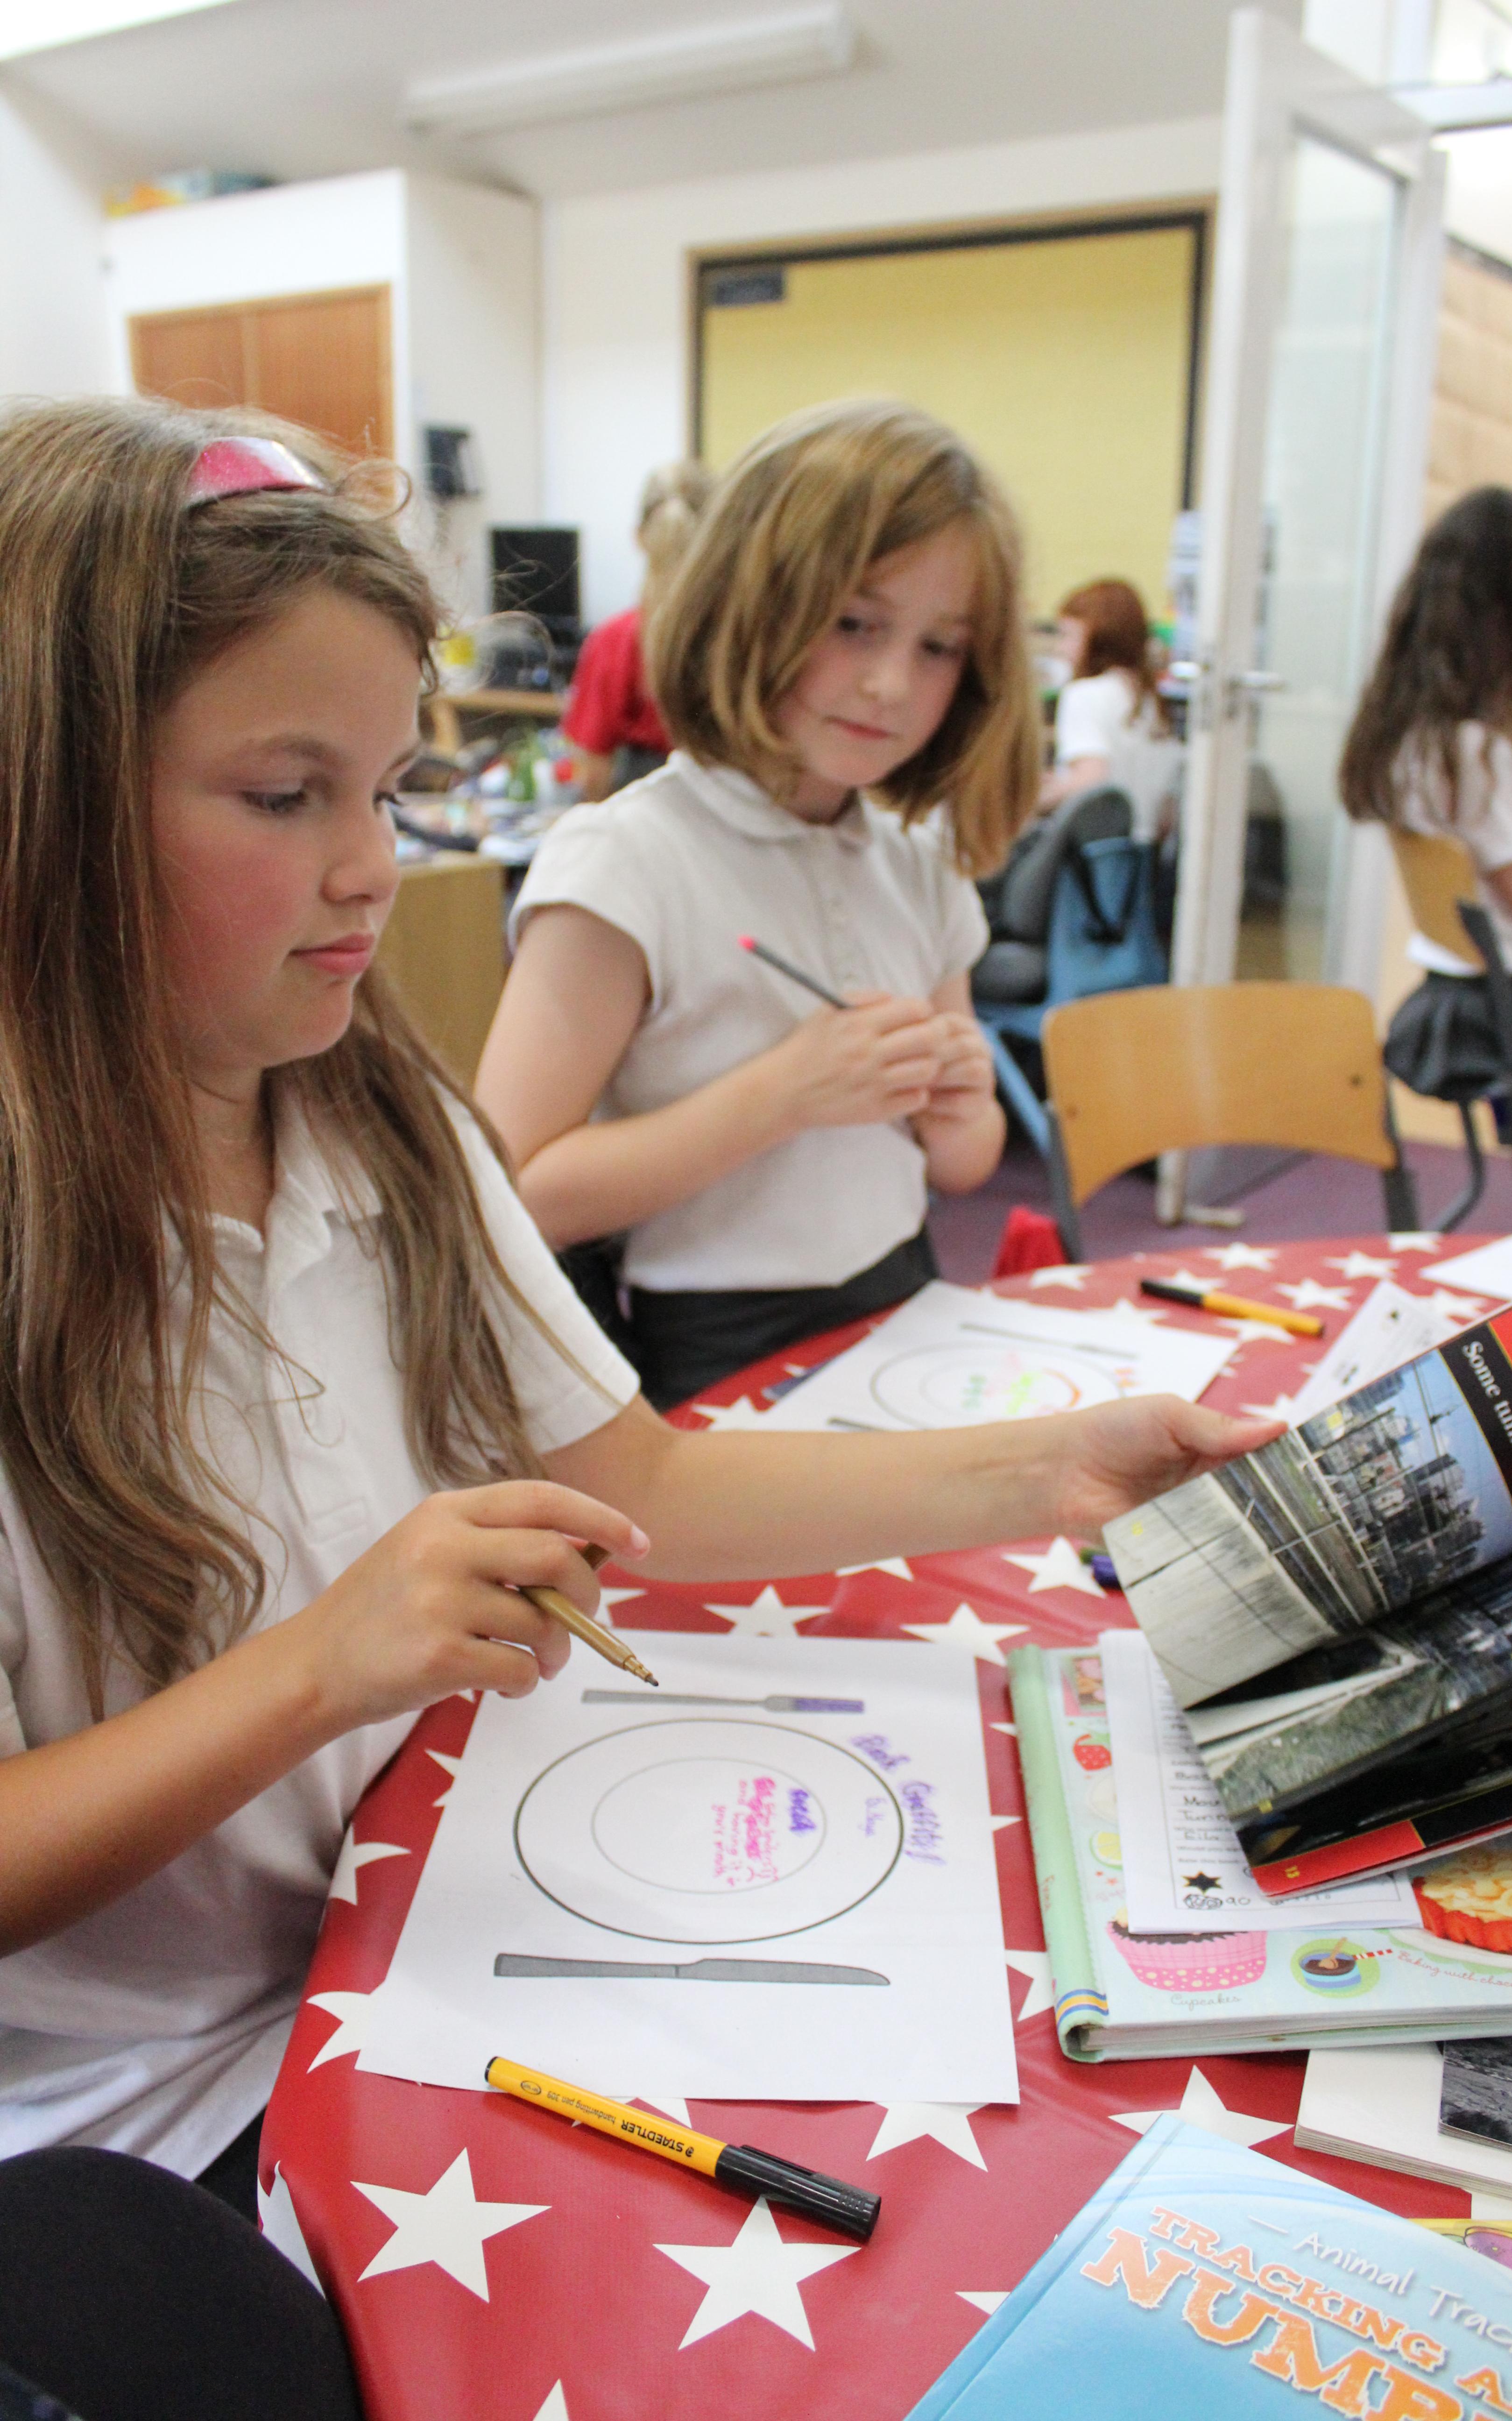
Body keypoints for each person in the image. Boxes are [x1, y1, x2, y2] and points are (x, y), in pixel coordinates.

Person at [0, 396, 1276, 2403]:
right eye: (285, 795)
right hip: (166, 2108)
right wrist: (323, 1661)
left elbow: (642, 1483)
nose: (375, 867)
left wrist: (1056, 1462)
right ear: (47, 797)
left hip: (442, 1936)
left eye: (392, 786)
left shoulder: (378, 1121)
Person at [477, 399, 1032, 1409]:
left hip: (907, 1298)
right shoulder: (625, 862)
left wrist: (958, 1099)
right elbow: (513, 1192)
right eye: (854, 624)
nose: (891, 684)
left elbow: (962, 1162)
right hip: (707, 1345)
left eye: (940, 646)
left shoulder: (917, 862)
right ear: (748, 603)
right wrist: (786, 1095)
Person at [1338, 487, 1512, 1169]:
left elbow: (1504, 869)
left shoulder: (1417, 736)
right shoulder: (1472, 750)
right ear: (1492, 616)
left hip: (1466, 1003)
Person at [561, 460, 714, 801]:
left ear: (640, 537)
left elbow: (592, 773)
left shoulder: (617, 639)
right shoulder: (748, 638)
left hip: (642, 815)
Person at [1042, 577, 1183, 843]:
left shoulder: (1084, 695)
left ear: (1098, 638)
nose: (1060, 648)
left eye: (1067, 635)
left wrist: (1036, 799)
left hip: (1093, 852)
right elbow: (1167, 811)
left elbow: (1093, 779)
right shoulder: (1151, 702)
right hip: (1143, 853)